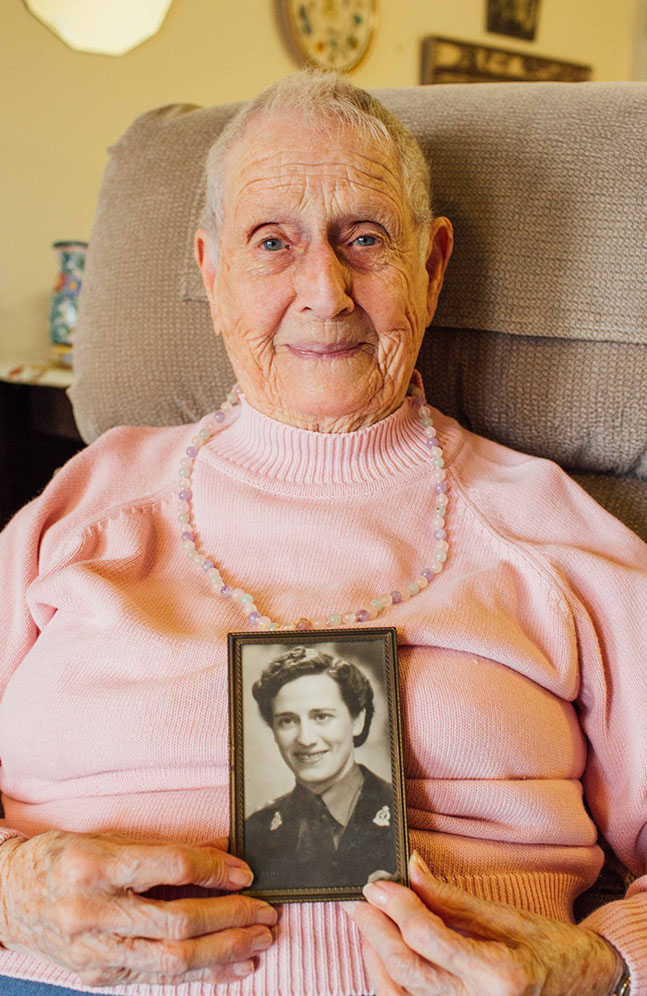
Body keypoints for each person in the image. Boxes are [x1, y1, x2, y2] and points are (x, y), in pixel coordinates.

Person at [0, 68, 643, 996]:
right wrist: (12, 891)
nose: (325, 290)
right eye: (273, 242)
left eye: (366, 238)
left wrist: (603, 962)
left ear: (431, 265)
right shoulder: (88, 506)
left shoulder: (548, 531)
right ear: (211, 273)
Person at [244, 646, 396, 890]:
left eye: (322, 716)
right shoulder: (255, 830)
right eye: (287, 721)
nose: (305, 739)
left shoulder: (398, 807)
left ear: (357, 720)